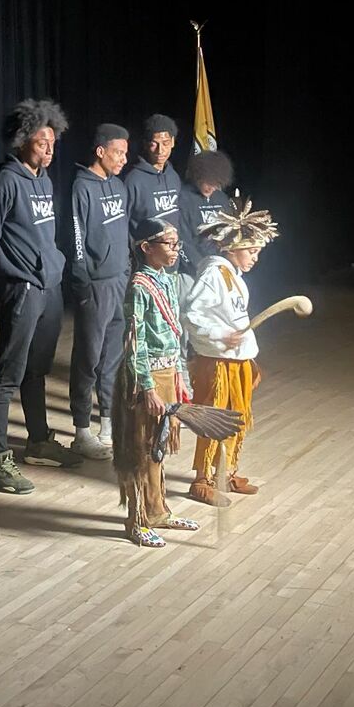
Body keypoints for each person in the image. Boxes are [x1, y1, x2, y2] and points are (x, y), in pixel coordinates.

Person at [0, 98, 82, 495]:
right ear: (22, 142)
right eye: (41, 143)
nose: (49, 149)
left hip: (49, 287)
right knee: (8, 374)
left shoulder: (44, 180)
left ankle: (38, 441)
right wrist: (6, 280)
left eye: (52, 142)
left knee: (37, 369)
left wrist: (51, 266)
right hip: (22, 288)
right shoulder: (5, 180)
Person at [184, 197, 280, 504]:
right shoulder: (214, 273)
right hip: (217, 363)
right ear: (231, 247)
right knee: (215, 419)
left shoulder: (234, 277)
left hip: (237, 361)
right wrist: (221, 335)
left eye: (257, 252)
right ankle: (202, 479)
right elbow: (191, 314)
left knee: (237, 418)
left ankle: (226, 471)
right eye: (251, 251)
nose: (255, 258)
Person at [112, 219, 201, 547]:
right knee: (140, 448)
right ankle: (136, 519)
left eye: (177, 244)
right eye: (168, 244)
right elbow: (135, 343)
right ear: (146, 248)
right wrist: (147, 388)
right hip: (144, 379)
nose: (176, 250)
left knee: (159, 447)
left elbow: (178, 338)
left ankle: (158, 510)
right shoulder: (139, 286)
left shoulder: (168, 281)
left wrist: (183, 380)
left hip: (169, 376)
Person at [67, 123, 131, 460]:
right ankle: (81, 431)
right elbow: (76, 238)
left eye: (125, 152)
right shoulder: (82, 188)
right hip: (95, 286)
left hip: (119, 281)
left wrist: (127, 272)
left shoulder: (119, 186)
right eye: (118, 152)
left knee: (112, 358)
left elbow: (122, 234)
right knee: (87, 359)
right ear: (100, 151)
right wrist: (83, 282)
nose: (123, 159)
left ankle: (108, 421)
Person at [177, 148, 236, 278]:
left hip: (220, 269)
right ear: (198, 175)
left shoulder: (221, 199)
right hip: (192, 272)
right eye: (209, 182)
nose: (212, 188)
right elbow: (183, 241)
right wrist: (201, 268)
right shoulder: (183, 198)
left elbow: (230, 236)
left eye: (217, 184)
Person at [123, 114, 181, 242]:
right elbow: (123, 224)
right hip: (144, 257)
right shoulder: (133, 180)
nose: (160, 150)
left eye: (165, 143)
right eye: (154, 144)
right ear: (145, 144)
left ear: (172, 142)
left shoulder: (173, 176)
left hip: (172, 255)